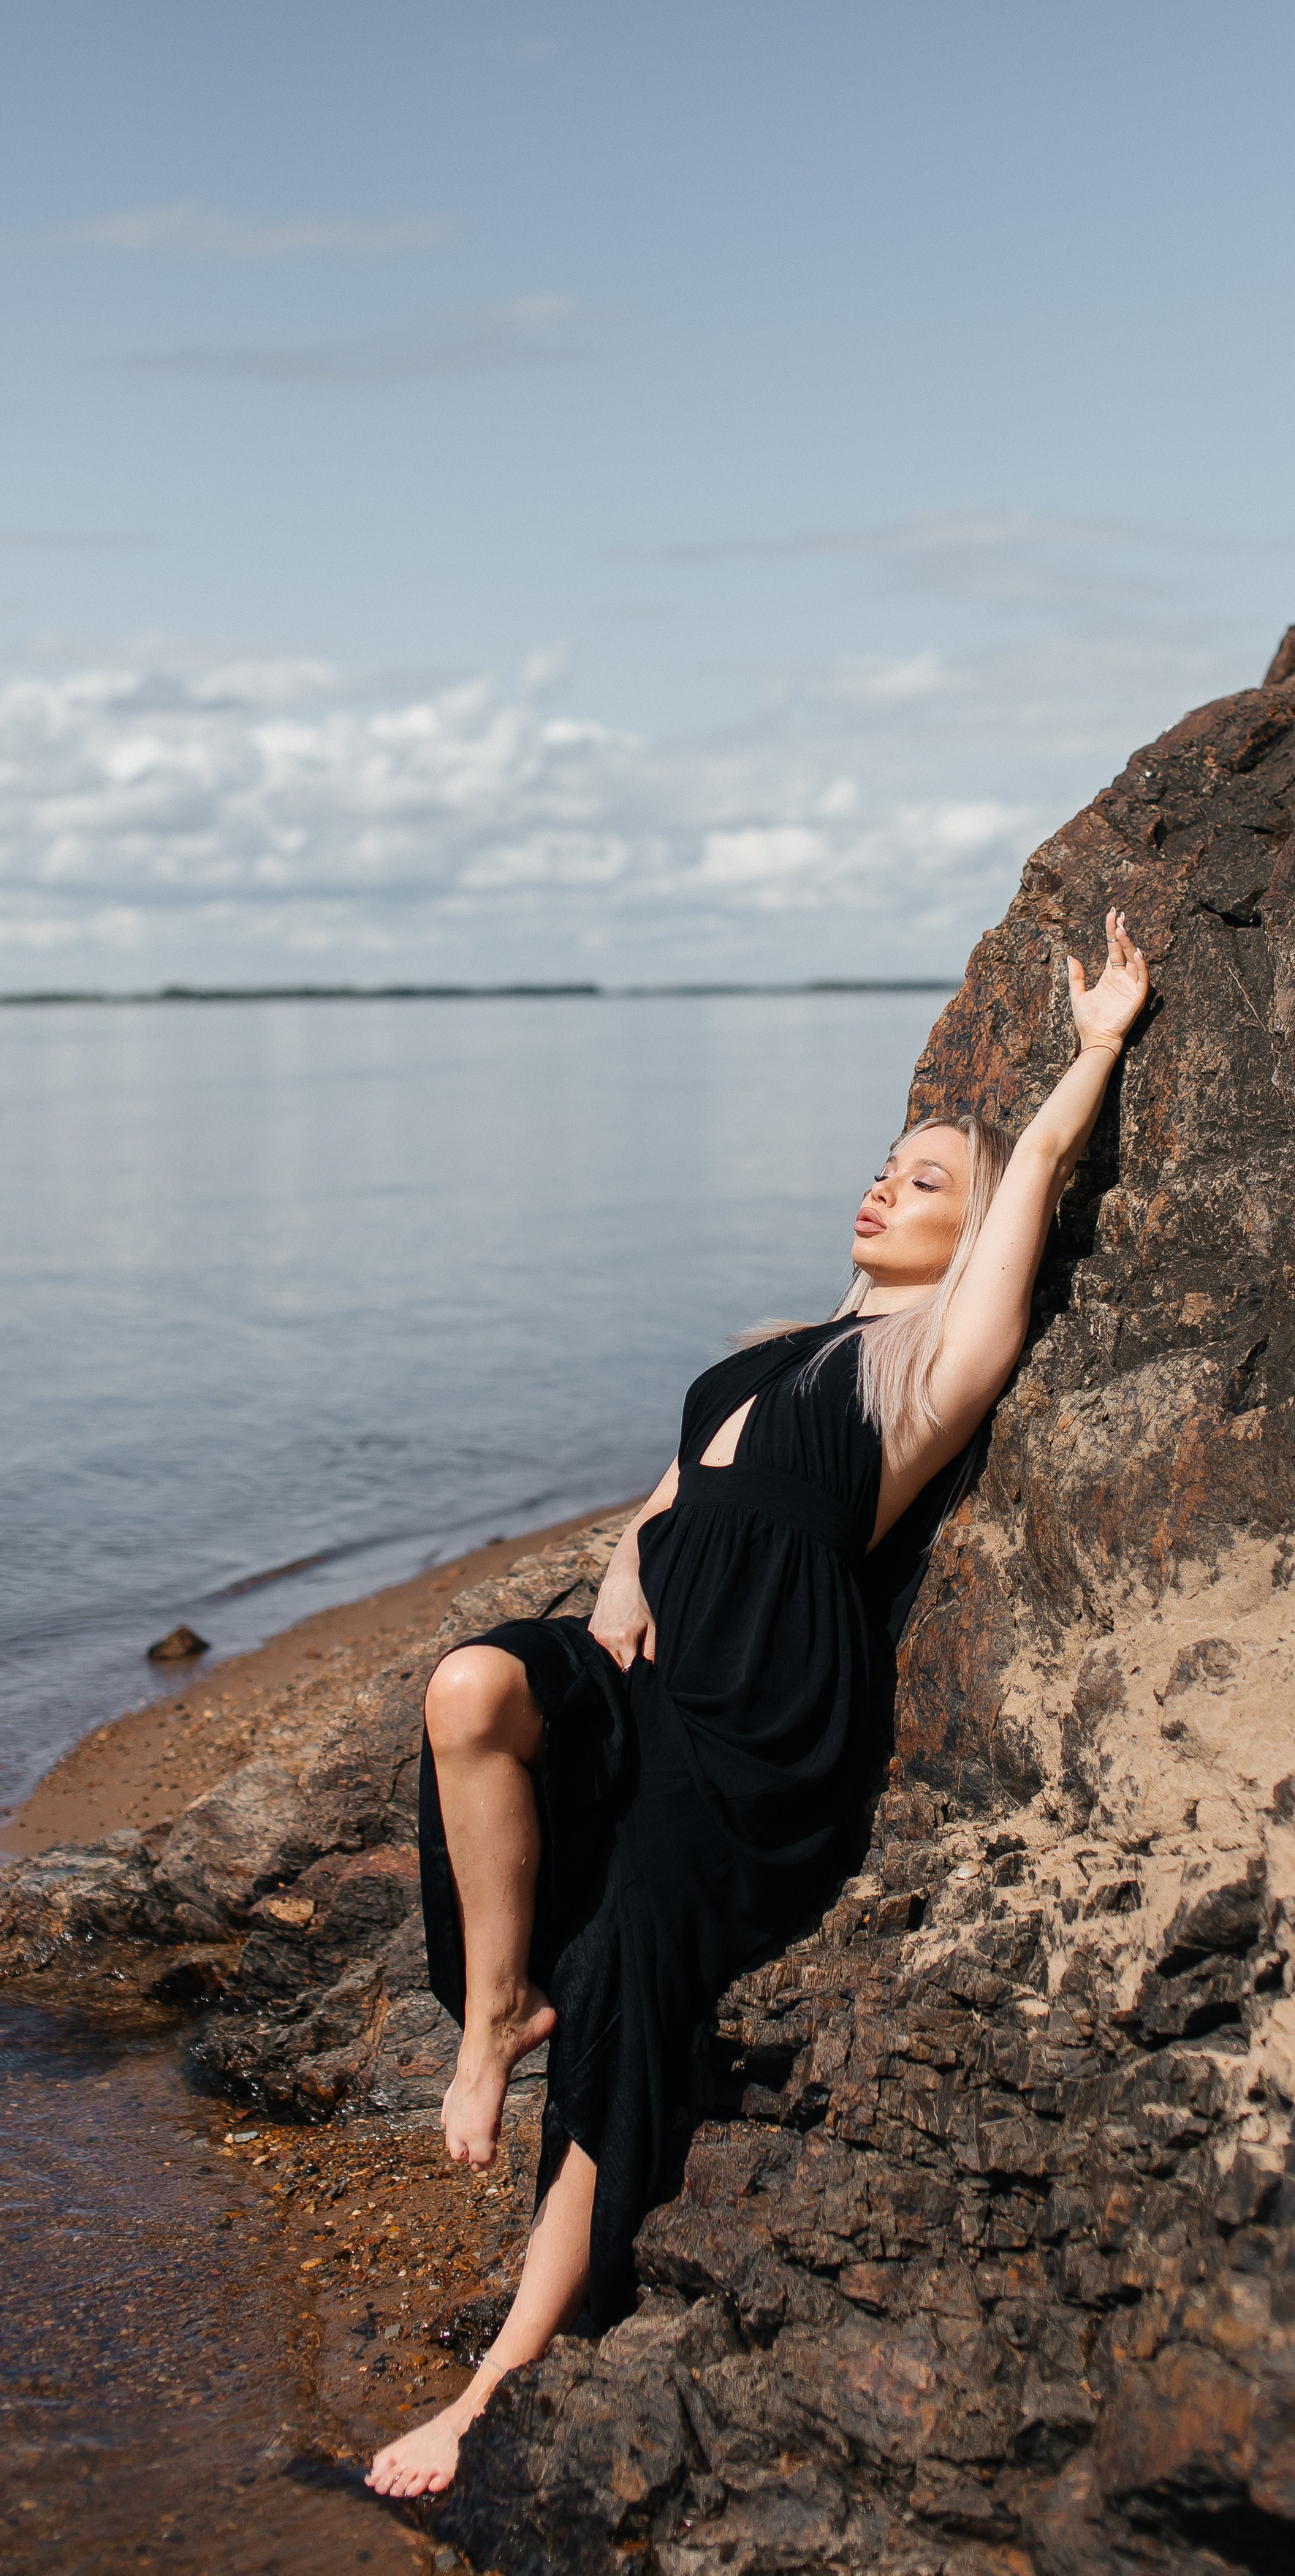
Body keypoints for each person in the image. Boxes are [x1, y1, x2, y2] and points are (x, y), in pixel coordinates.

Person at [365, 909, 1149, 2500]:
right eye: (884, 1164)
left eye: (928, 1181)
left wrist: (1094, 1052)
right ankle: (498, 2015)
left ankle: (497, 2371)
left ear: (971, 1228)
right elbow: (648, 1529)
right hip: (650, 1675)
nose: (886, 1185)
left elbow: (1039, 1190)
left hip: (760, 1729)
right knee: (467, 1690)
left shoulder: (926, 1370)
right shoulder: (759, 1363)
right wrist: (611, 1614)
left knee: (641, 1986)